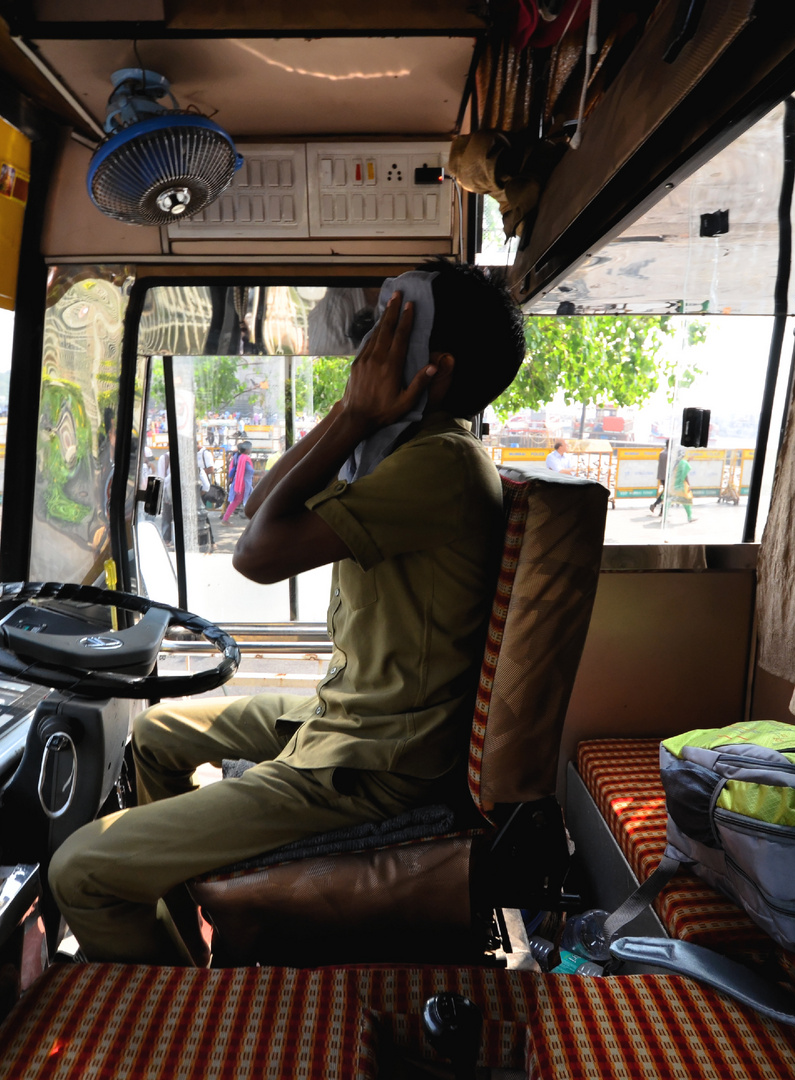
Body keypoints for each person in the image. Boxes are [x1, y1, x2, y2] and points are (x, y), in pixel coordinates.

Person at [49, 259, 527, 963]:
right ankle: (179, 930)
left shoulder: (442, 464)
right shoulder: (405, 452)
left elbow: (257, 555)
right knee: (156, 735)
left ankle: (176, 1016)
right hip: (344, 719)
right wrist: (353, 414)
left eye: (390, 335)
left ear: (435, 370)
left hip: (373, 762)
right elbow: (255, 508)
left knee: (79, 871)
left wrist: (359, 415)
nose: (365, 352)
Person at [220, 440, 254, 525]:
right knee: (237, 501)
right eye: (250, 449)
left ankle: (252, 517)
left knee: (242, 500)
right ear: (246, 450)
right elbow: (249, 470)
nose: (251, 450)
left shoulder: (238, 456)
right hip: (243, 483)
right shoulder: (245, 458)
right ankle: (225, 519)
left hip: (240, 482)